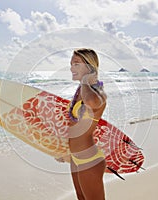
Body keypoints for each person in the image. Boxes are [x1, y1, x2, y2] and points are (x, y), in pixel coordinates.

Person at [58, 48, 107, 200]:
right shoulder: (80, 91)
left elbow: (91, 102)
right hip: (75, 157)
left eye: (77, 64)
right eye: (71, 64)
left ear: (90, 66)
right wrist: (63, 149)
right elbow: (72, 126)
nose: (71, 68)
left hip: (89, 160)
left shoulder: (98, 92)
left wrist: (85, 81)